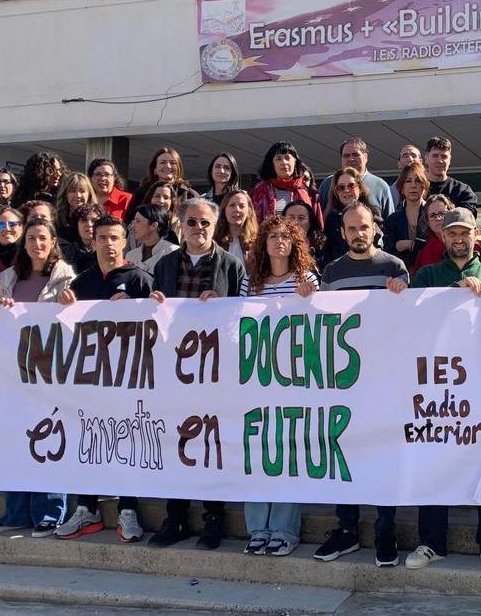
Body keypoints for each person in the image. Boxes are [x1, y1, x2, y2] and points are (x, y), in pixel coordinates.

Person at [391, 207, 481, 574]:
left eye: (465, 233)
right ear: (442, 237)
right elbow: (407, 323)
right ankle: (432, 542)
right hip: (435, 391)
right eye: (452, 233)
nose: (459, 239)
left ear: (475, 236)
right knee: (433, 464)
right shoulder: (427, 275)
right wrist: (398, 292)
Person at [312, 203, 410, 567]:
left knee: (383, 453)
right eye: (351, 228)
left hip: (384, 378)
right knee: (344, 450)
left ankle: (386, 529)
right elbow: (321, 323)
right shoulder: (332, 272)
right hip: (343, 380)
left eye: (364, 227)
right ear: (342, 232)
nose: (358, 233)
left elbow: (410, 319)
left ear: (375, 228)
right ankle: (348, 529)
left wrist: (403, 291)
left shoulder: (393, 267)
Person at [147, 197, 246, 550]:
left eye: (205, 223)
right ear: (180, 224)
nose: (199, 229)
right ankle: (174, 518)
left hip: (214, 372)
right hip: (174, 370)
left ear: (214, 226)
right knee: (176, 443)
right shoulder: (165, 265)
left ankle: (213, 518)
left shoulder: (232, 266)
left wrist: (220, 308)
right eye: (192, 222)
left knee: (210, 445)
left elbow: (241, 317)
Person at [54, 215, 154, 543]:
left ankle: (128, 509)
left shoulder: (141, 279)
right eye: (102, 238)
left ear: (126, 242)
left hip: (129, 379)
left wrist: (139, 307)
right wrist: (62, 307)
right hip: (90, 379)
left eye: (114, 238)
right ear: (93, 242)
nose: (108, 244)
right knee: (88, 440)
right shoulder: (80, 284)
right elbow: (62, 330)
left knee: (128, 442)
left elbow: (160, 321)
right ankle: (86, 507)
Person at [0, 220, 74, 537]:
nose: (36, 243)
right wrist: (0, 305)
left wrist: (68, 306)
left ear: (53, 242)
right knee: (14, 440)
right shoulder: (9, 278)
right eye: (31, 238)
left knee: (50, 440)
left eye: (42, 238)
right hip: (12, 371)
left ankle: (49, 512)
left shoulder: (66, 276)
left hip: (50, 372)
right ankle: (15, 512)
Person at [240, 216, 319, 557]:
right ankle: (258, 528)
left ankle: (284, 529)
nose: (278, 242)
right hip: (257, 378)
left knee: (288, 454)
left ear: (294, 243)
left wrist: (311, 299)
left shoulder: (307, 279)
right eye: (271, 236)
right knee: (257, 452)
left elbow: (323, 326)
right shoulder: (250, 283)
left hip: (295, 380)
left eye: (285, 236)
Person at [317, 137, 395, 218]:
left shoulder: (380, 186)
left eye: (355, 154)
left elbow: (390, 222)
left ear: (366, 157)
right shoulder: (328, 184)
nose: (351, 159)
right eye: (346, 156)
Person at [249, 141, 324, 223]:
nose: (284, 162)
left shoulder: (309, 193)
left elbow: (317, 226)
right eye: (278, 158)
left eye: (287, 158)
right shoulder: (258, 192)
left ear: (295, 162)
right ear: (271, 164)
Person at [410, 195, 481, 275]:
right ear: (427, 221)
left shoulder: (472, 246)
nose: (438, 218)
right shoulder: (424, 253)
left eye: (442, 213)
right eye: (432, 215)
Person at [322, 167, 384, 260]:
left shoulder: (373, 214)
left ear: (360, 188)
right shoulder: (329, 220)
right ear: (336, 192)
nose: (346, 190)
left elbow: (380, 246)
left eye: (351, 185)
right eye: (341, 187)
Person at [124, 147, 199, 222]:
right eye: (163, 162)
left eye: (173, 163)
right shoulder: (141, 193)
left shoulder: (190, 195)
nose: (168, 166)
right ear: (155, 168)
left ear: (178, 168)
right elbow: (129, 222)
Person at [383, 161, 428, 267]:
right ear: (402, 188)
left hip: (430, 272)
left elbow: (438, 246)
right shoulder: (392, 220)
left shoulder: (433, 215)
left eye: (418, 181)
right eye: (408, 181)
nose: (413, 185)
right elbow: (389, 252)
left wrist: (411, 244)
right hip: (402, 273)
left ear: (424, 186)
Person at [423, 136, 477, 214]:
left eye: (444, 156)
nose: (440, 161)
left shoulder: (463, 191)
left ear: (450, 160)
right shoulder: (416, 189)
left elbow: (466, 220)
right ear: (426, 158)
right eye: (435, 156)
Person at [125, 203, 179, 273]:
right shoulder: (131, 255)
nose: (133, 225)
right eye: (134, 221)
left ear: (153, 225)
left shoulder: (173, 253)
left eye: (138, 221)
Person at [218, 190, 259, 270]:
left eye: (242, 206)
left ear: (249, 211)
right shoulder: (213, 242)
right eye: (232, 205)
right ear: (224, 210)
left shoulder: (258, 243)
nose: (237, 209)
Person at [55, 172, 98, 243]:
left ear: (89, 194)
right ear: (65, 194)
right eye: (72, 191)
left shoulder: (98, 218)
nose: (78, 195)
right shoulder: (56, 220)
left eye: (82, 191)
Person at [60, 203, 103, 274]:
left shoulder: (107, 250)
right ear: (76, 225)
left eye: (94, 220)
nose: (89, 224)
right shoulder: (65, 253)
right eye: (84, 220)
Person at [284, 200, 327, 268]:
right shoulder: (277, 245)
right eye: (291, 218)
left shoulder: (321, 246)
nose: (295, 222)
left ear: (310, 222)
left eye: (301, 218)